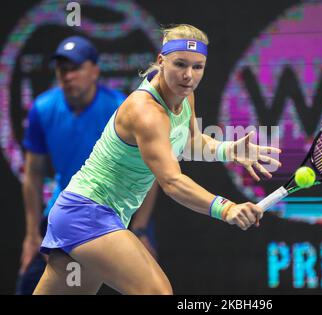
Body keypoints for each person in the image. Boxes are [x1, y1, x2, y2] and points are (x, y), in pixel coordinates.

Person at [33, 24, 281, 295]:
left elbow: (189, 142)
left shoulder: (184, 95)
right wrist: (227, 208)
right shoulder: (146, 112)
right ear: (161, 61)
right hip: (86, 212)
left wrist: (227, 150)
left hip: (92, 214)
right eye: (180, 64)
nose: (188, 76)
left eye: (198, 67)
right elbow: (172, 182)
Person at [18, 35, 158, 295]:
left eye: (75, 68)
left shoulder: (122, 108)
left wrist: (139, 228)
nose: (68, 76)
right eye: (62, 69)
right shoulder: (42, 108)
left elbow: (149, 171)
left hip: (116, 216)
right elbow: (33, 174)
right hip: (65, 215)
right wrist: (30, 236)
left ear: (95, 71)